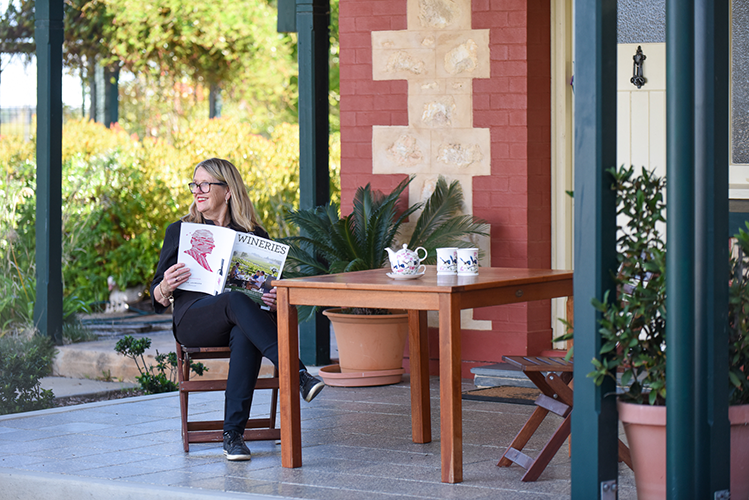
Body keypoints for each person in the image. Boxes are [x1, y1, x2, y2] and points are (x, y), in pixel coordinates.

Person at [150, 158, 324, 462]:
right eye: (194, 184)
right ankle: (297, 373)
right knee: (236, 301)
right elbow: (157, 298)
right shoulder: (181, 230)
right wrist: (165, 286)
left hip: (239, 319)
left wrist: (270, 298)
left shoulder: (254, 234)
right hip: (193, 318)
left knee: (244, 329)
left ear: (227, 190)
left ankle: (233, 436)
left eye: (205, 184)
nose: (197, 191)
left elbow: (267, 290)